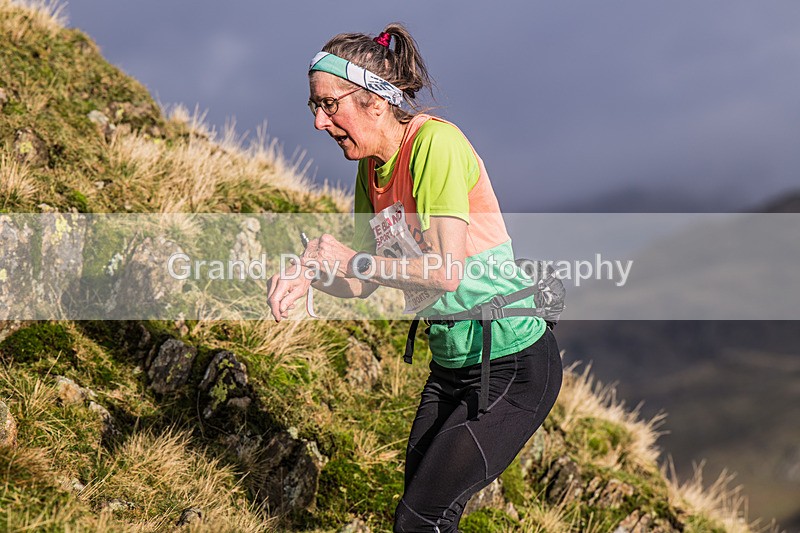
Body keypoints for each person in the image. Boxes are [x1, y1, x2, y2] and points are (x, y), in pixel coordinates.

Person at [267, 23, 563, 533]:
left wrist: (349, 261)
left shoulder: (435, 145)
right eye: (312, 106)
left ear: (375, 103)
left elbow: (444, 273)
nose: (318, 122)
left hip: (512, 364)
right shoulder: (371, 169)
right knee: (421, 515)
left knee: (420, 520)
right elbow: (364, 279)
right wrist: (312, 273)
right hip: (451, 364)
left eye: (329, 105)